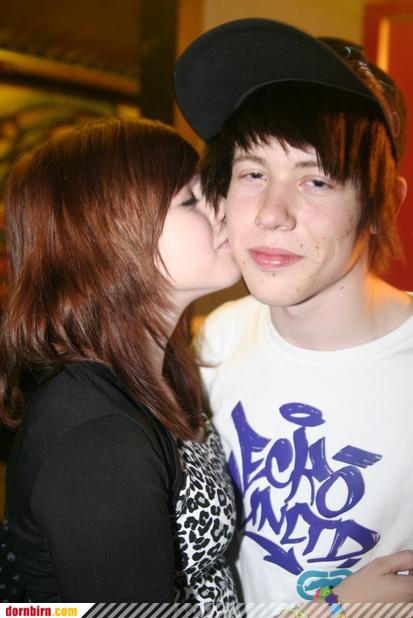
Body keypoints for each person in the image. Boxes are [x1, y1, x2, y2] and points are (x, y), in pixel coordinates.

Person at [174, 18, 413, 615]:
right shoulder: (218, 340)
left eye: (318, 180)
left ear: (383, 204)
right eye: (253, 173)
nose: (271, 214)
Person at [0, 117, 242, 602]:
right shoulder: (98, 438)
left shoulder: (151, 370)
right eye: (190, 200)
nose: (224, 208)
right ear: (110, 238)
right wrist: (331, 609)